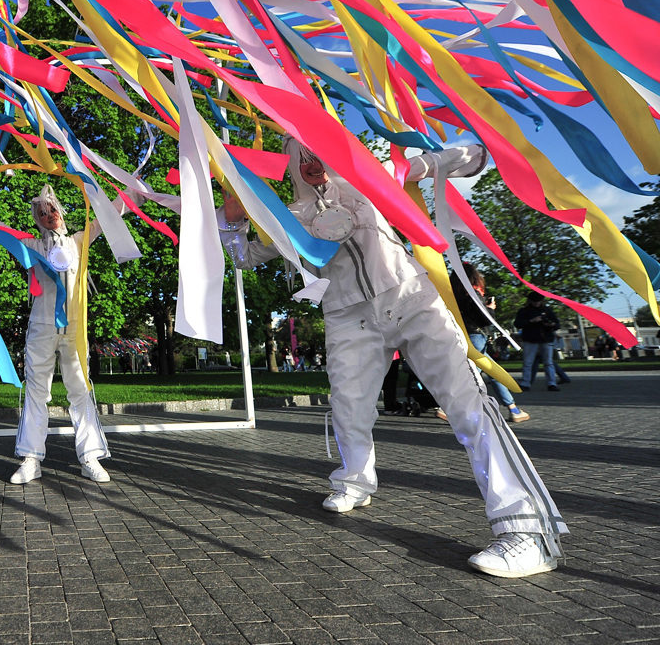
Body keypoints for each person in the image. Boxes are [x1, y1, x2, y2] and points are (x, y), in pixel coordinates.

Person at [220, 138, 566, 578]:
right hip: (348, 316)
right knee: (349, 406)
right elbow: (242, 257)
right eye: (298, 155)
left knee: (468, 407)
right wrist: (232, 220)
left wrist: (436, 157)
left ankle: (527, 531)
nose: (310, 160)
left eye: (315, 145)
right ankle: (355, 480)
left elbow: (474, 158)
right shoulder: (291, 216)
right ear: (289, 167)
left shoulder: (372, 177)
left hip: (412, 298)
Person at [0, 184, 113, 485]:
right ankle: (31, 459)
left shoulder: (79, 241)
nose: (48, 215)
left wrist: (136, 192)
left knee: (80, 390)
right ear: (37, 219)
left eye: (52, 209)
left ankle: (90, 457)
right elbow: (0, 229)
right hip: (41, 327)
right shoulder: (30, 246)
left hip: (74, 329)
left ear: (61, 211)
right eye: (42, 213)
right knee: (36, 392)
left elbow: (110, 214)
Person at [450, 265, 529, 423]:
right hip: (476, 335)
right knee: (478, 373)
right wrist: (490, 309)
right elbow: (485, 318)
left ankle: (513, 407)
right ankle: (448, 407)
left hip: (459, 334)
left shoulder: (452, 293)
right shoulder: (472, 292)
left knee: (491, 371)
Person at [514, 292, 561, 391]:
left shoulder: (547, 310)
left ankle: (551, 383)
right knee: (528, 362)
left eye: (538, 301)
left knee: (548, 363)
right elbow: (518, 324)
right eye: (534, 301)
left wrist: (551, 324)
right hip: (531, 339)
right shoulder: (524, 311)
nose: (536, 303)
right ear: (530, 301)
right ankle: (526, 383)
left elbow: (557, 324)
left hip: (545, 338)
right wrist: (531, 321)